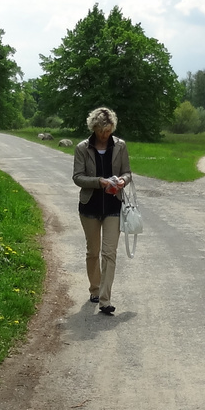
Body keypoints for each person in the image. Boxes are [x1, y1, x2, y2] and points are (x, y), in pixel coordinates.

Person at [73, 107, 132, 316]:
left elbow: (127, 172)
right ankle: (95, 289)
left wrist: (123, 180)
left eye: (107, 131)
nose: (104, 135)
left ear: (112, 128)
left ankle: (105, 300)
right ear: (94, 128)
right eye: (100, 131)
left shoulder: (120, 146)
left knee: (109, 253)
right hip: (89, 207)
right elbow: (77, 177)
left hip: (113, 206)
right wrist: (100, 182)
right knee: (93, 252)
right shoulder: (82, 148)